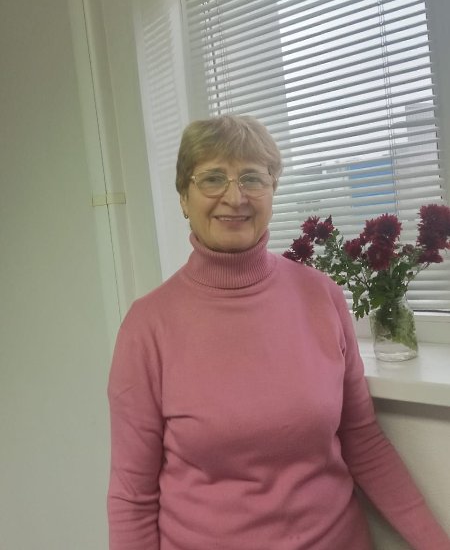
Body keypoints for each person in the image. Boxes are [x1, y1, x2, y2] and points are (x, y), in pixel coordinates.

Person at [107, 115, 450, 550]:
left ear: (273, 190)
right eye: (212, 178)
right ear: (183, 198)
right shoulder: (147, 326)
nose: (235, 197)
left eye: (252, 178)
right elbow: (132, 498)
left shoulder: (321, 296)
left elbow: (362, 441)